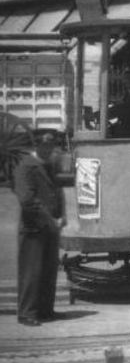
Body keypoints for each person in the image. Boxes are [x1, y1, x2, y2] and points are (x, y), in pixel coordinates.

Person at [13, 134, 66, 326]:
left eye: (51, 145)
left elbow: (57, 192)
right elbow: (27, 200)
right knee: (31, 271)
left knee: (48, 270)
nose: (49, 149)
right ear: (36, 145)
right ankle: (27, 313)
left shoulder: (49, 164)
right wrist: (50, 218)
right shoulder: (25, 165)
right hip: (33, 227)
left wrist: (62, 215)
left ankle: (45, 310)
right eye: (45, 145)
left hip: (50, 227)